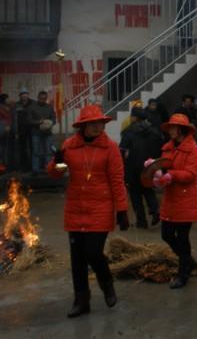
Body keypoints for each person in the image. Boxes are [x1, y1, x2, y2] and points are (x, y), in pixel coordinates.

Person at [47, 105, 129, 318]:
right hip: (75, 208)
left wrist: (122, 210)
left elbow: (117, 180)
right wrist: (56, 163)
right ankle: (81, 300)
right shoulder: (69, 146)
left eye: (100, 123)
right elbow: (55, 174)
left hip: (100, 208)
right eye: (93, 124)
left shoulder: (110, 148)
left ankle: (106, 284)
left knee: (93, 252)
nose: (97, 127)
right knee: (77, 258)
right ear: (82, 126)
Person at [153, 113, 197, 289]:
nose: (171, 131)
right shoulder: (167, 148)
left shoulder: (194, 149)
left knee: (182, 238)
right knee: (166, 234)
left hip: (185, 199)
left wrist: (170, 175)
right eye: (170, 128)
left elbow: (191, 174)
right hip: (170, 198)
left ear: (182, 129)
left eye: (174, 127)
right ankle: (188, 261)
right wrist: (154, 168)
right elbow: (164, 167)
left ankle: (183, 273)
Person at [119, 107, 162, 228]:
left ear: (135, 118)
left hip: (133, 168)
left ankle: (141, 221)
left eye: (132, 115)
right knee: (148, 190)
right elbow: (159, 148)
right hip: (149, 167)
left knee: (135, 195)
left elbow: (121, 150)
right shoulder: (153, 131)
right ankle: (155, 211)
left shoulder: (129, 131)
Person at [28, 90, 56, 175]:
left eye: (44, 99)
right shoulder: (32, 107)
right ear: (38, 98)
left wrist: (49, 122)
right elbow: (29, 120)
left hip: (48, 133)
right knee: (36, 152)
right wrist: (39, 122)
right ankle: (35, 170)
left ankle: (47, 168)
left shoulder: (49, 107)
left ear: (46, 98)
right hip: (36, 133)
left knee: (48, 152)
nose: (42, 100)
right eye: (41, 98)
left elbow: (54, 119)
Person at [14, 88, 32, 172]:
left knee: (33, 148)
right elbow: (14, 118)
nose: (24, 95)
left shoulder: (33, 103)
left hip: (32, 129)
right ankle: (24, 167)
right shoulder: (17, 105)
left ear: (28, 95)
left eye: (25, 93)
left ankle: (32, 166)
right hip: (21, 130)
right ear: (20, 96)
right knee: (22, 149)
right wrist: (16, 131)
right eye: (22, 94)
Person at [0, 94, 11, 168]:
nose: (9, 100)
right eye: (7, 99)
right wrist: (5, 126)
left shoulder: (8, 108)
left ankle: (4, 165)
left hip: (7, 129)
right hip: (2, 128)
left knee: (5, 148)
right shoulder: (1, 108)